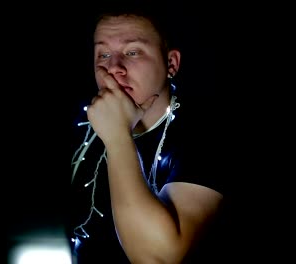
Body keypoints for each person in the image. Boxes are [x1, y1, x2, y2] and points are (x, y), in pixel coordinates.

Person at [68, 4, 224, 263]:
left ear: (171, 63)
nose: (115, 68)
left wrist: (118, 135)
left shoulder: (205, 133)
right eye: (103, 55)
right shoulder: (80, 129)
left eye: (132, 52)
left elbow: (157, 257)